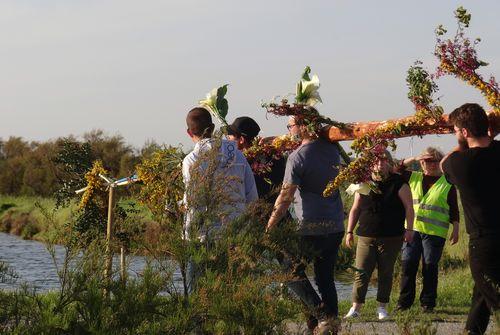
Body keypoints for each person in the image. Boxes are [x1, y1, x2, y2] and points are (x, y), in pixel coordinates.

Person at [266, 115, 345, 334]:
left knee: (290, 271)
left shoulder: (297, 157)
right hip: (336, 224)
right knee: (324, 277)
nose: (289, 130)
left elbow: (285, 197)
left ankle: (322, 315)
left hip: (310, 226)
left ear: (302, 126)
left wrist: (270, 224)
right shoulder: (332, 150)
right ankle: (330, 325)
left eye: (290, 126)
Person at [182, 107, 258, 292]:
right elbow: (252, 196)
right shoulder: (238, 155)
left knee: (197, 289)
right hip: (235, 230)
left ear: (189, 132)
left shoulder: (192, 160)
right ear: (213, 127)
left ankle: (198, 320)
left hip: (202, 234)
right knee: (231, 288)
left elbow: (194, 201)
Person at [441, 103, 500, 335]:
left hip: (484, 243)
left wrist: (462, 143)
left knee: (494, 297)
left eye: (456, 131)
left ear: (464, 133)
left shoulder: (460, 163)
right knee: (481, 296)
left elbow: (444, 163)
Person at [344, 150, 414, 320]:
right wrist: (349, 231)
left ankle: (382, 307)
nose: (380, 164)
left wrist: (410, 229)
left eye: (384, 161)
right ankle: (356, 308)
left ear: (390, 163)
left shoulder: (399, 183)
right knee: (361, 272)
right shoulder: (363, 182)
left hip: (392, 236)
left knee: (386, 272)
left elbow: (409, 208)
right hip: (366, 235)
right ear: (370, 164)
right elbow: (356, 208)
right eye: (376, 161)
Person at [395, 147, 460, 312]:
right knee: (408, 266)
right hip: (412, 230)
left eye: (433, 161)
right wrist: (415, 158)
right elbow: (396, 169)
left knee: (429, 268)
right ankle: (404, 304)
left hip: (434, 233)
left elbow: (454, 208)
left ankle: (428, 304)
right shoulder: (413, 177)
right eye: (425, 161)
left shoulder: (447, 182)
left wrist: (456, 229)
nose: (429, 164)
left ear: (439, 162)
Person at [226, 116, 286, 204]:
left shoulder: (241, 162)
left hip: (256, 213)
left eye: (229, 137)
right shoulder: (274, 155)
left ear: (241, 140)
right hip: (278, 211)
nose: (228, 140)